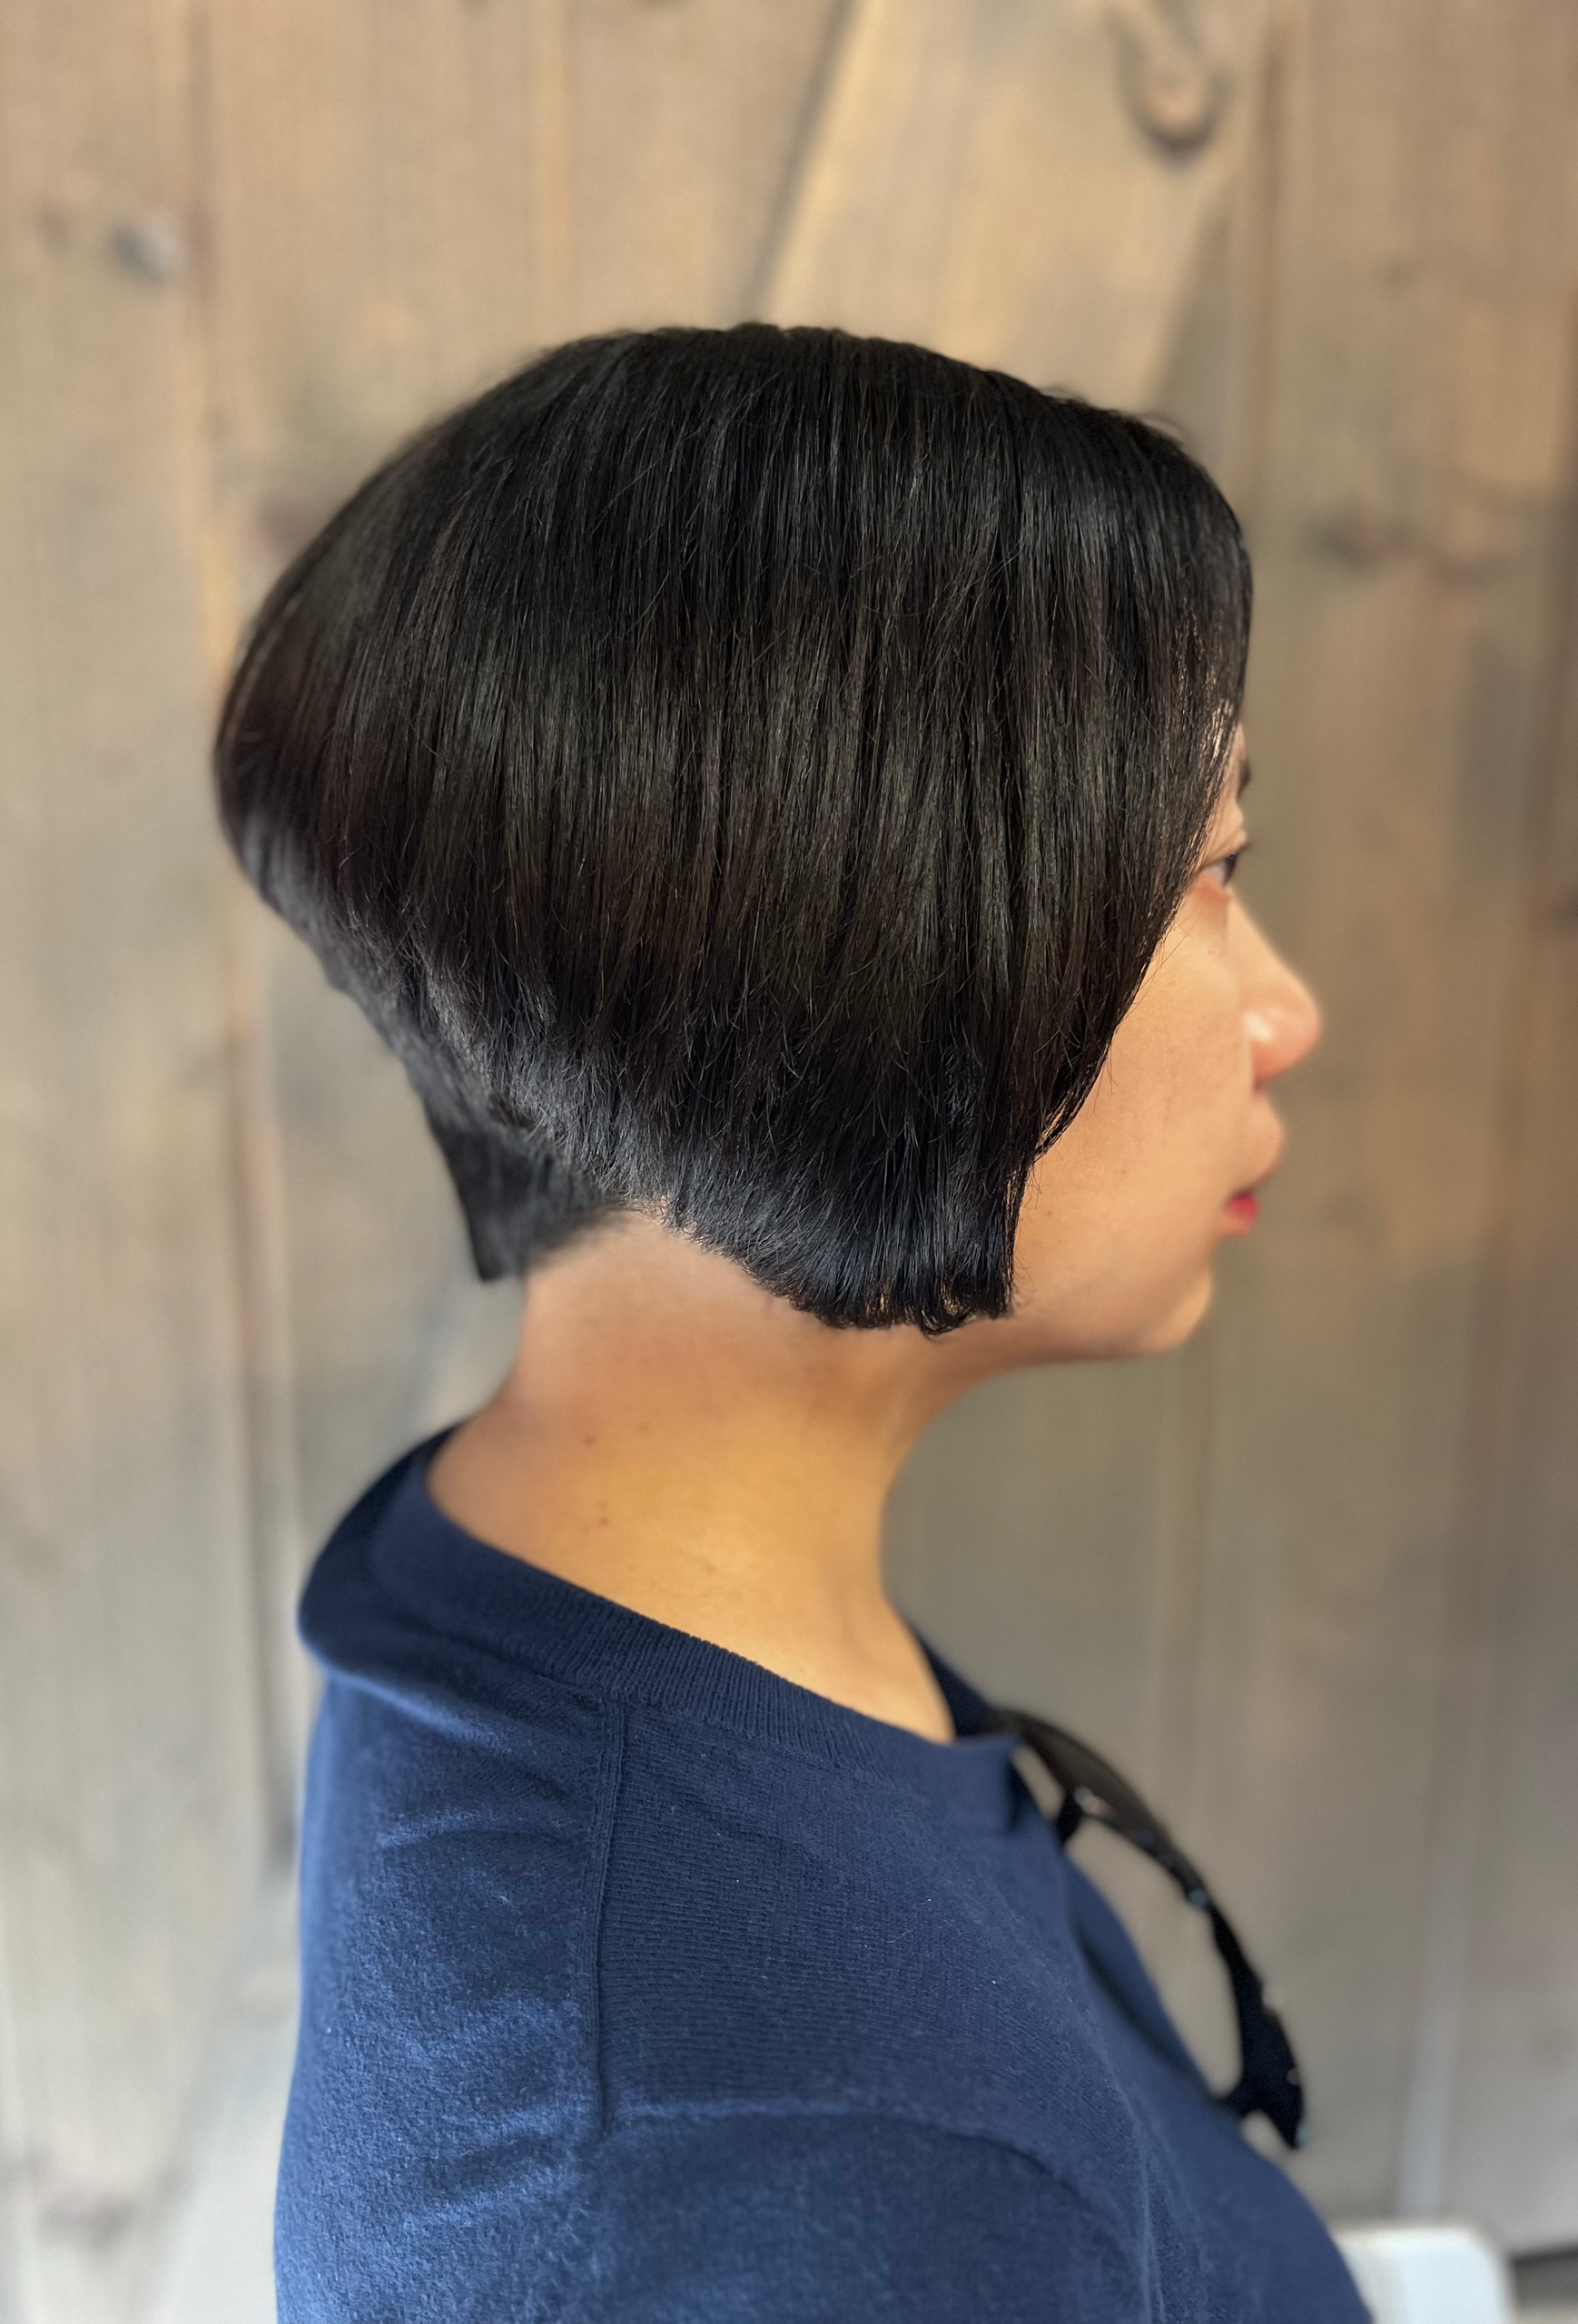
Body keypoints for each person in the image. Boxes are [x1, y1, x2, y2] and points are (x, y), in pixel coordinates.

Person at [215, 322, 1357, 2320]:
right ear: (864, 976)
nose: (1289, 1010)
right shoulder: (807, 2188)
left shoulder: (534, 1580)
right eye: (1212, 875)